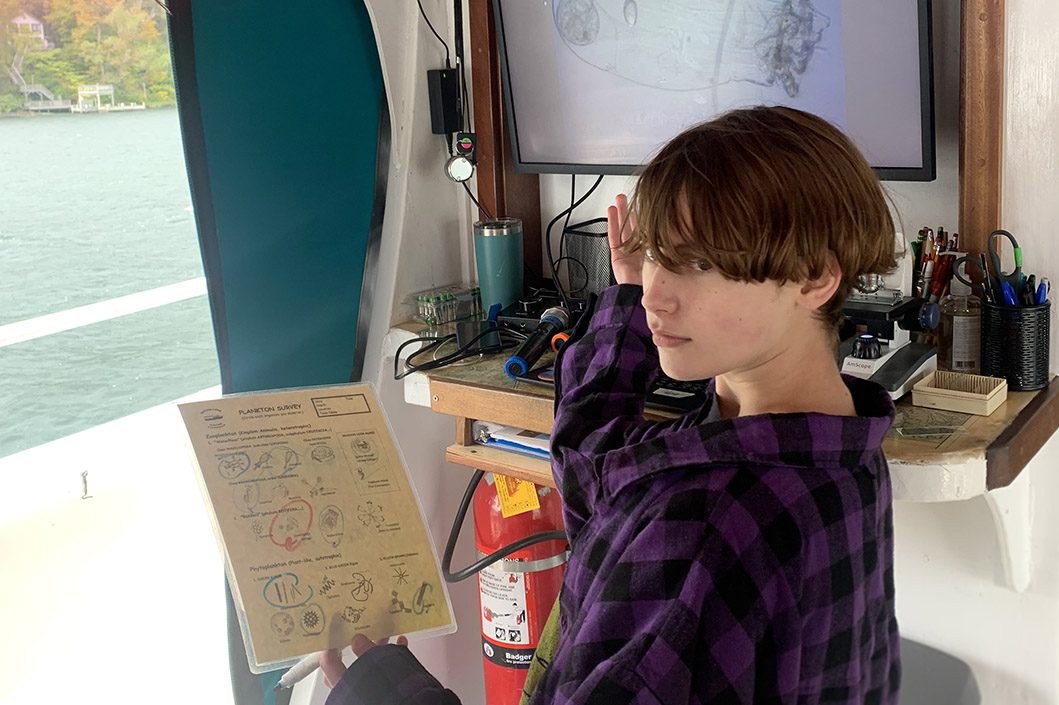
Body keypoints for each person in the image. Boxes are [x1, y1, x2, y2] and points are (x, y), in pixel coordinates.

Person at [320, 105, 901, 704]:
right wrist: (623, 295)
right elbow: (602, 474)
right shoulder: (841, 441)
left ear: (813, 279)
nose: (656, 293)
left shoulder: (704, 525)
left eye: (699, 263)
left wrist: (385, 694)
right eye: (655, 253)